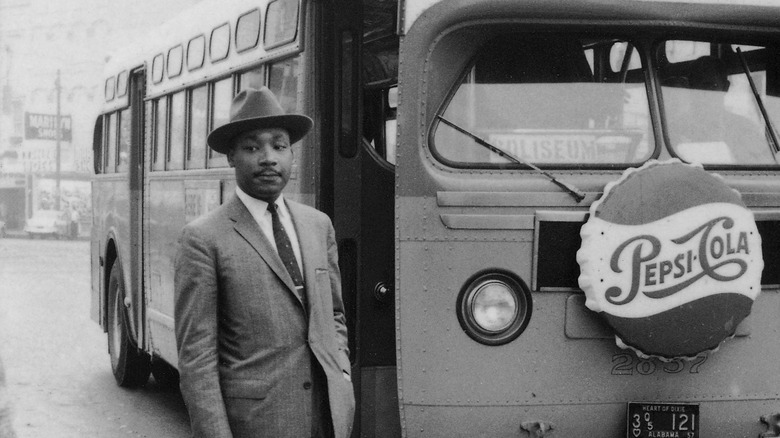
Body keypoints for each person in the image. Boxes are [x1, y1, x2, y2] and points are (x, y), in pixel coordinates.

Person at [174, 87, 355, 438]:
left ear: (292, 154)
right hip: (256, 424)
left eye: (279, 145)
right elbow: (197, 360)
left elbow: (333, 314)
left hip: (328, 418)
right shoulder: (204, 238)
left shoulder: (318, 225)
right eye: (252, 147)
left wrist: (341, 371)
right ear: (231, 157)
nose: (268, 158)